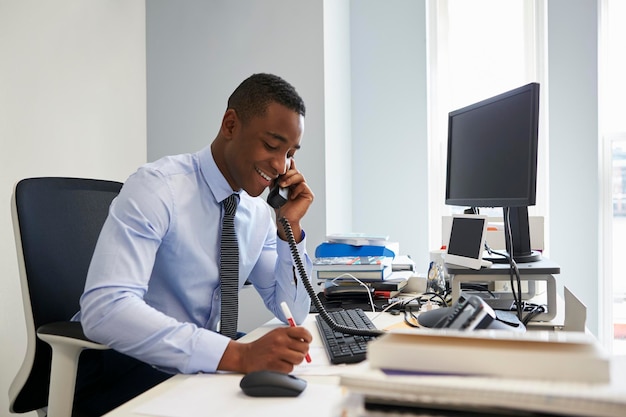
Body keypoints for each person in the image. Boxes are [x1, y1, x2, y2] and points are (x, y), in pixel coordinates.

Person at [72, 73, 314, 415]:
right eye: (272, 146)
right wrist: (239, 355)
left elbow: (291, 309)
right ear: (230, 125)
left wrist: (291, 229)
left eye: (289, 153)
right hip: (120, 366)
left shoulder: (257, 213)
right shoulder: (159, 188)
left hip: (191, 365)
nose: (280, 166)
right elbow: (105, 309)